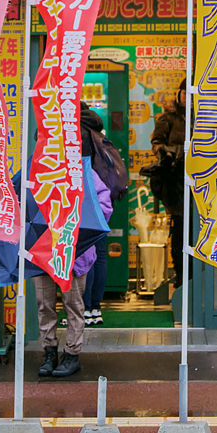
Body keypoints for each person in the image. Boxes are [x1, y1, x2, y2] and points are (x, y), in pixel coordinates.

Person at [34, 152, 112, 379]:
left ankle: (72, 353)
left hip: (74, 248)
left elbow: (103, 202)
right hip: (42, 248)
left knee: (73, 303)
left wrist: (84, 226)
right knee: (44, 303)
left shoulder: (82, 171)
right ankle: (49, 352)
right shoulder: (36, 169)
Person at [79, 106, 127, 325]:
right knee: (98, 255)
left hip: (83, 198)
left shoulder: (74, 131)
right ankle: (95, 309)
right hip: (101, 198)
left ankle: (84, 308)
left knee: (83, 254)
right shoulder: (96, 130)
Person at [146, 80, 187, 294]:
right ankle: (180, 276)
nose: (188, 97)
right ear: (178, 94)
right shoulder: (168, 117)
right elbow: (156, 144)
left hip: (199, 182)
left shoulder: (207, 117)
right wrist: (175, 151)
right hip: (175, 182)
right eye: (184, 92)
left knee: (197, 231)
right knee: (180, 230)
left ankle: (195, 276)